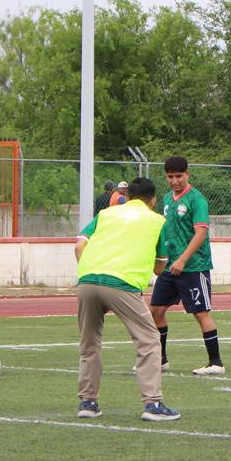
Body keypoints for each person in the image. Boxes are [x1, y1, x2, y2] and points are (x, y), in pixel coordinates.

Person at [75, 177, 180, 421]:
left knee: (89, 342)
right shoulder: (156, 220)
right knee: (150, 340)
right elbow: (159, 266)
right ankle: (153, 404)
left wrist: (92, 270)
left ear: (127, 196)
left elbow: (79, 245)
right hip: (122, 284)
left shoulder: (106, 214)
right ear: (152, 200)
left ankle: (88, 402)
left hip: (88, 280)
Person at [150, 156, 225, 375]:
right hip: (170, 267)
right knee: (155, 310)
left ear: (187, 174)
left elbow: (201, 232)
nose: (174, 181)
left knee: (200, 313)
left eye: (178, 176)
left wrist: (183, 259)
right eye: (170, 176)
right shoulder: (165, 199)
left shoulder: (196, 199)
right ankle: (161, 359)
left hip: (193, 266)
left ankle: (216, 363)